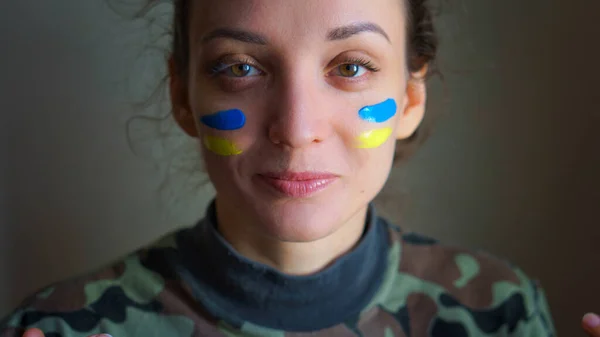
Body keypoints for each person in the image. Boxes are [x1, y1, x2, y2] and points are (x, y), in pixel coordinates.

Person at [0, 0, 594, 336]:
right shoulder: (63, 328)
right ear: (183, 96)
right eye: (239, 68)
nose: (296, 126)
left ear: (411, 99)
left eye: (352, 67)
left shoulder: (502, 312)